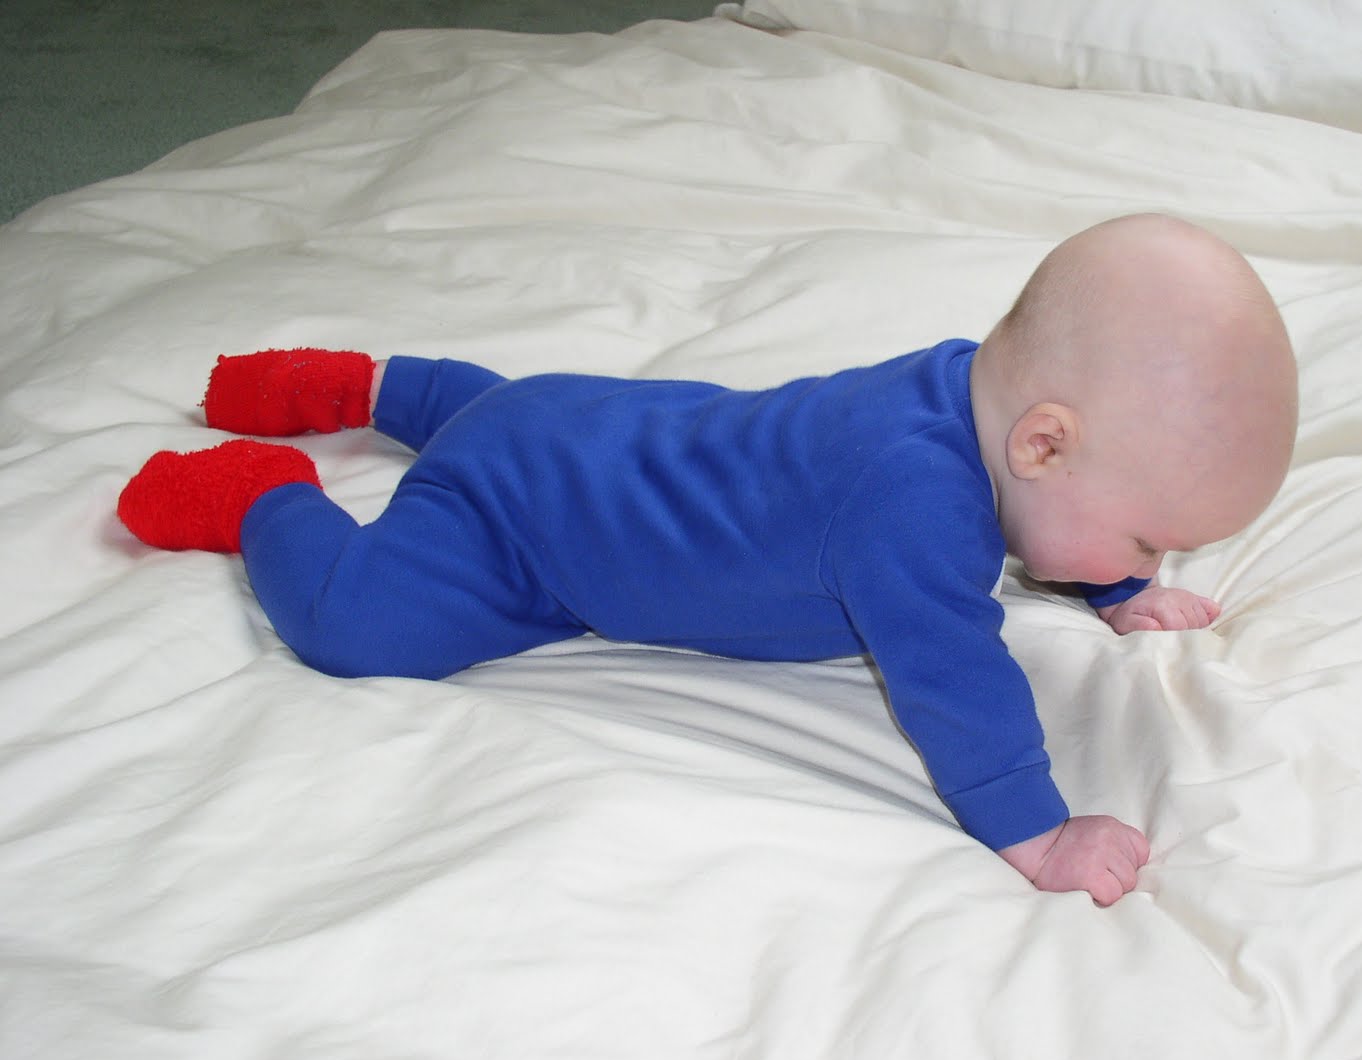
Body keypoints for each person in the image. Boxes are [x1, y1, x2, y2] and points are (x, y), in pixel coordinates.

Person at [117, 214, 1298, 904]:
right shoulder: (917, 511)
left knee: (528, 420)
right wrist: (1037, 831)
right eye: (1145, 539)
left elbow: (1069, 505)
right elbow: (957, 682)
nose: (1151, 558)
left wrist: (1115, 584)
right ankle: (267, 495)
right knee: (354, 627)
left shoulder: (967, 391)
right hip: (526, 531)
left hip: (580, 419)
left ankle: (376, 387)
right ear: (1041, 442)